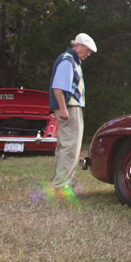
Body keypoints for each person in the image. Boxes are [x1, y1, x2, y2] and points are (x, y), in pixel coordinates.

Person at [49, 33, 97, 191]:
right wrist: (63, 108)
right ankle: (61, 185)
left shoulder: (71, 60)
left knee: (66, 146)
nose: (88, 54)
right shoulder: (68, 61)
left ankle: (61, 181)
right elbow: (58, 87)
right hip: (70, 107)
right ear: (78, 46)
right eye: (87, 50)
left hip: (69, 107)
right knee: (71, 147)